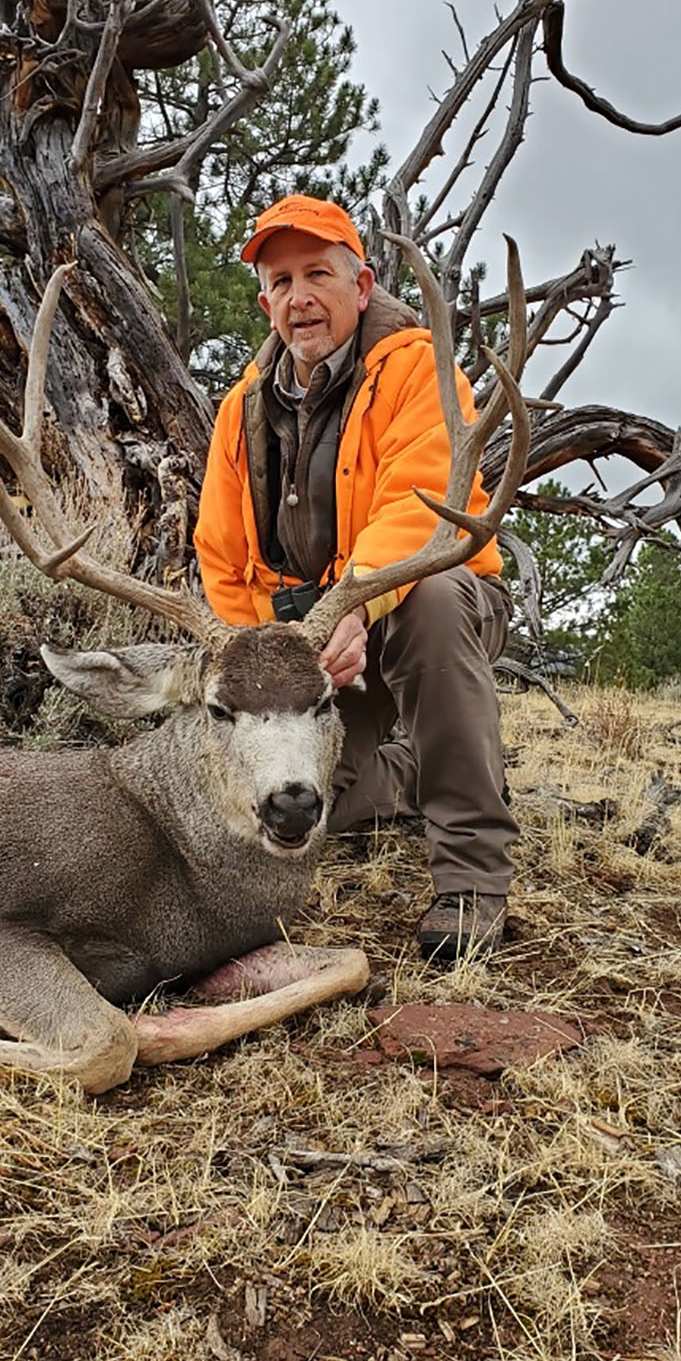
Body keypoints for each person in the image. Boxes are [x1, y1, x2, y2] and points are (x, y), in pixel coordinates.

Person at [194, 194, 518, 959]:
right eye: (280, 282)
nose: (299, 297)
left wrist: (358, 603)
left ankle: (472, 877)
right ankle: (410, 776)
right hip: (316, 641)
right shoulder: (242, 410)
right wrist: (261, 659)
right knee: (301, 814)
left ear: (362, 286)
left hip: (431, 607)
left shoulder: (417, 369)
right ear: (265, 303)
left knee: (431, 598)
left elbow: (423, 507)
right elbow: (223, 556)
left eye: (318, 274)